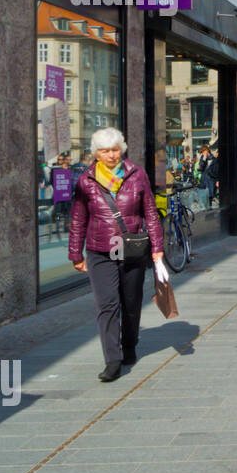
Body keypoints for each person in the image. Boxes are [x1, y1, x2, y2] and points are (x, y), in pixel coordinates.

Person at [68, 128, 165, 382]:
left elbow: (151, 213)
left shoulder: (137, 175)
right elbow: (78, 219)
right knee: (107, 304)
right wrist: (75, 253)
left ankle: (130, 344)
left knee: (131, 302)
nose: (111, 155)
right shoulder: (86, 180)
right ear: (96, 153)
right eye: (104, 151)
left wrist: (157, 248)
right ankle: (112, 360)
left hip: (130, 248)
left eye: (114, 150)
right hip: (99, 249)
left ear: (121, 149)